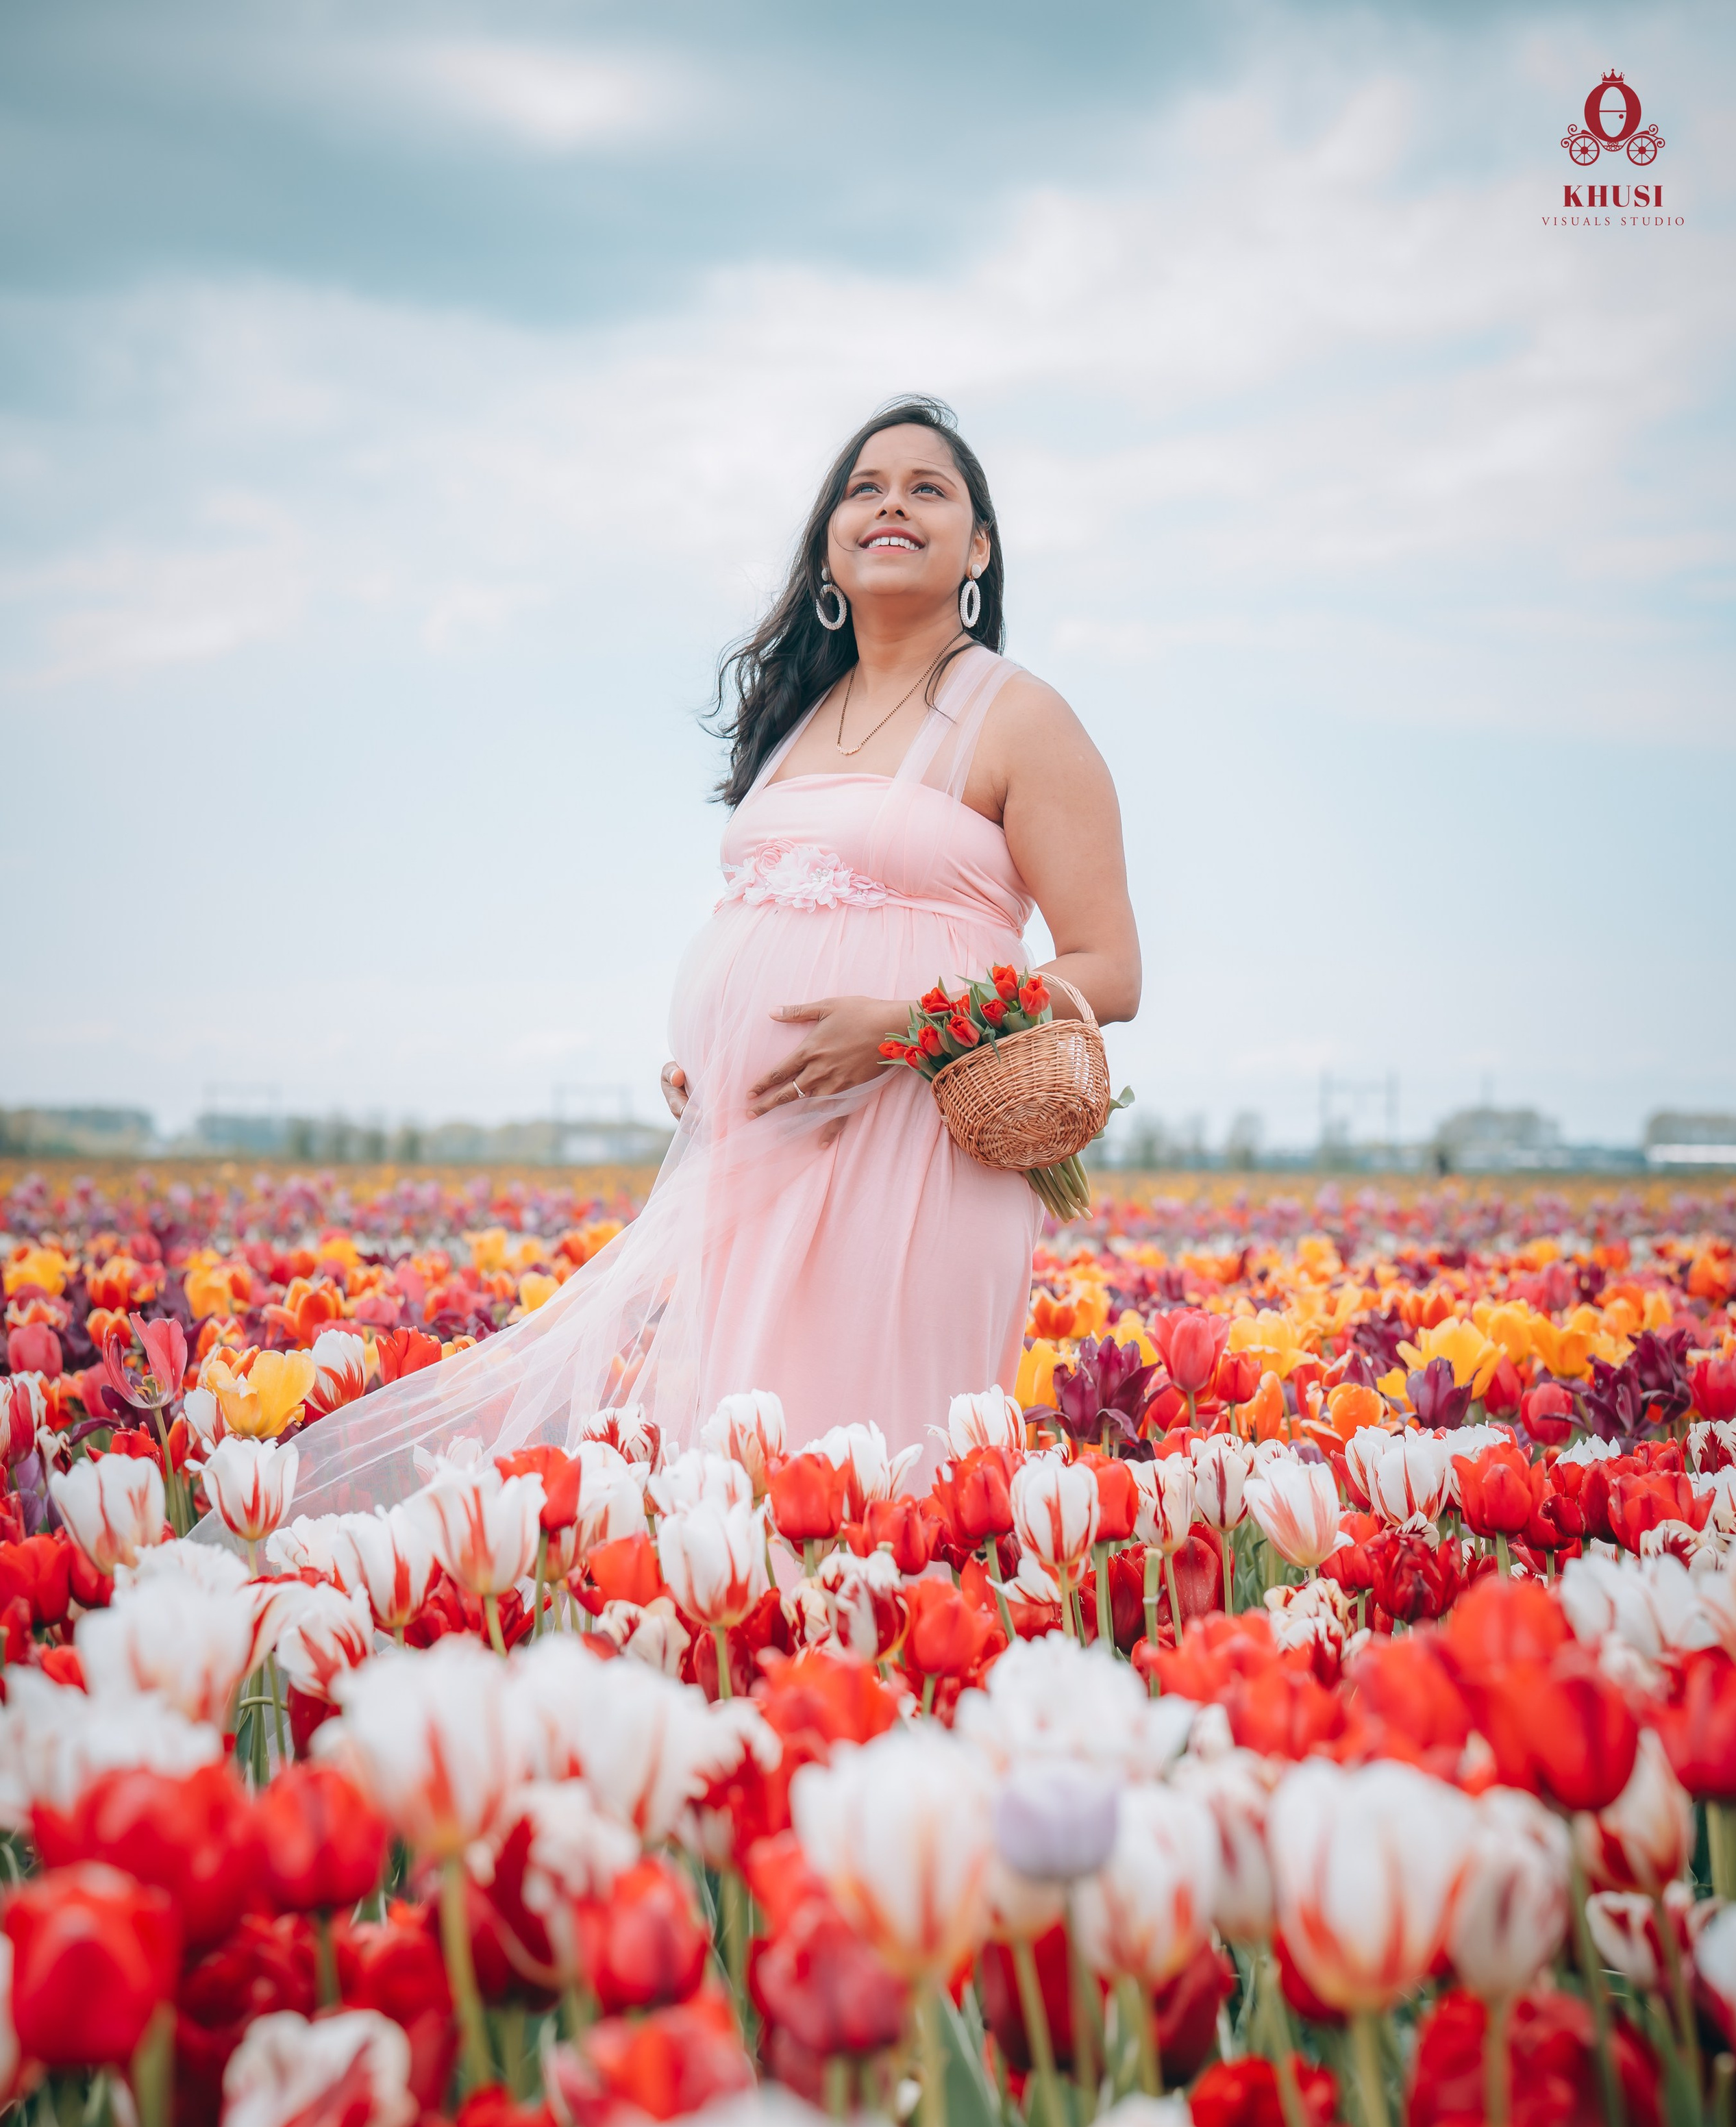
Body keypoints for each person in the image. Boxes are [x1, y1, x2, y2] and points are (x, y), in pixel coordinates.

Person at [284, 397, 1141, 1513]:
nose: (890, 503)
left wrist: (903, 1027)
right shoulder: (799, 715)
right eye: (863, 487)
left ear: (979, 548)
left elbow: (1109, 969)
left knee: (879, 1472)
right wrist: (717, 1048)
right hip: (755, 1147)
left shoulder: (1021, 718)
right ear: (830, 541)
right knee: (749, 1472)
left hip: (919, 1145)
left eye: (928, 489)